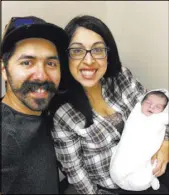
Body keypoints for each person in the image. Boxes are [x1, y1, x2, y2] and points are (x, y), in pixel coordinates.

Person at [51, 15, 169, 194]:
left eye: (98, 50)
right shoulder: (63, 115)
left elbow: (159, 111)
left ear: (108, 53)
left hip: (149, 167)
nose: (89, 61)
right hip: (112, 188)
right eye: (77, 51)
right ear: (65, 56)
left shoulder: (120, 77)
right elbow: (76, 172)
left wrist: (166, 144)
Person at [0, 16, 68, 194]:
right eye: (27, 62)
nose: (42, 75)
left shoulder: (52, 112)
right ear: (4, 71)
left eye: (51, 63)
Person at [110, 90, 169, 191]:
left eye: (158, 107)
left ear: (163, 110)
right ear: (142, 102)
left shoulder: (160, 118)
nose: (151, 107)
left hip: (145, 155)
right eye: (148, 103)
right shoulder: (136, 112)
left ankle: (149, 176)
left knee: (145, 171)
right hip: (128, 149)